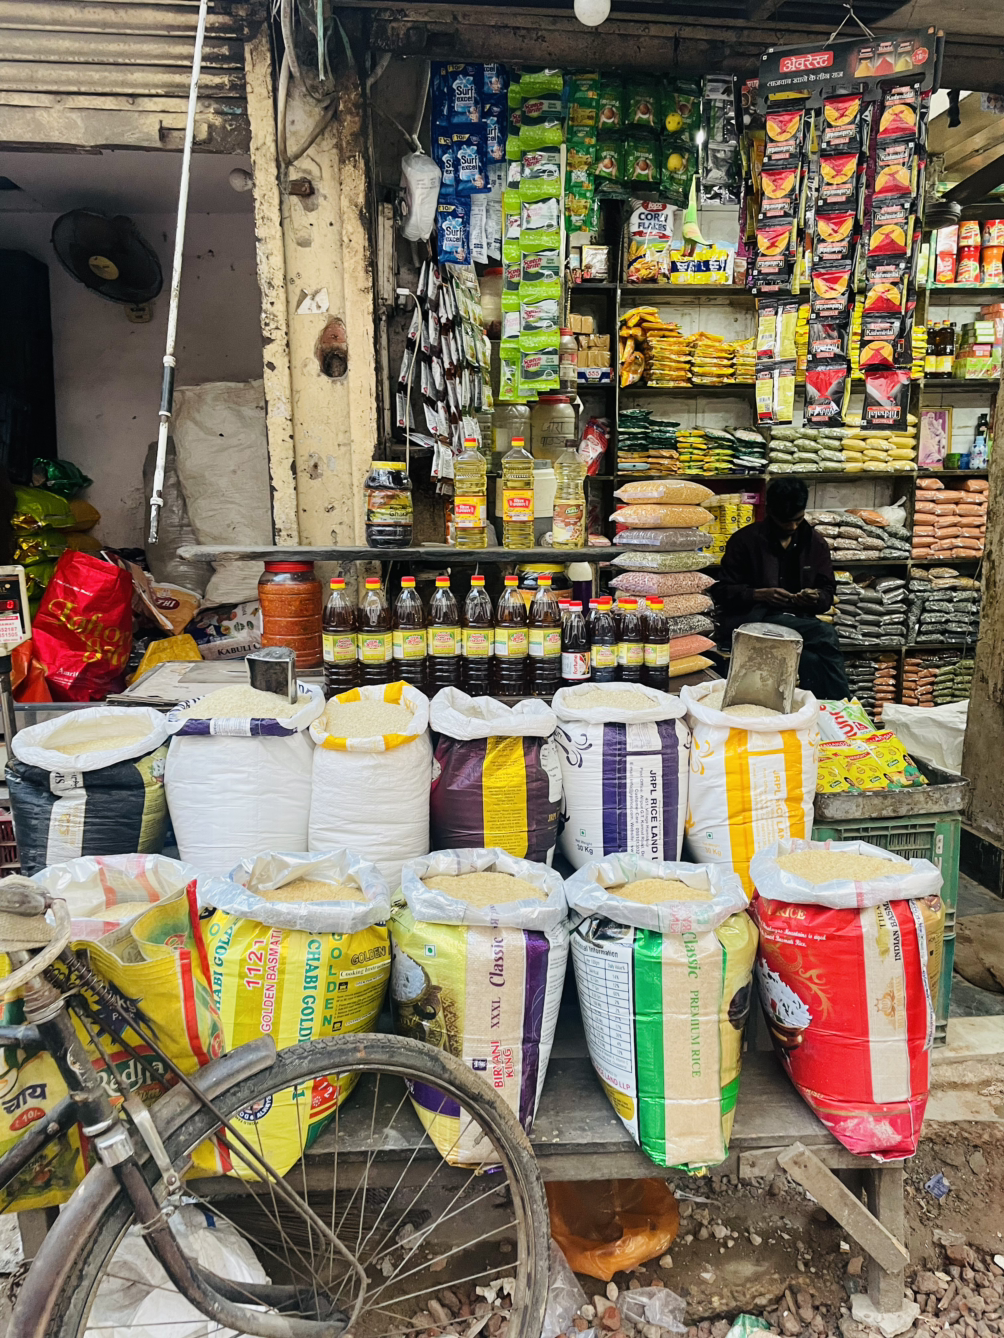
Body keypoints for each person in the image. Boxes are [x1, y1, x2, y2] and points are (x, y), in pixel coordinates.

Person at [713, 476, 849, 699]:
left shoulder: (815, 544)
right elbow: (722, 592)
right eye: (785, 521)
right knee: (825, 633)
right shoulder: (745, 540)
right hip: (753, 620)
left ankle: (823, 710)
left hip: (798, 620)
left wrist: (815, 597)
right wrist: (758, 594)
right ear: (770, 512)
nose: (792, 527)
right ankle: (845, 703)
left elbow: (826, 593)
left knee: (812, 659)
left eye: (798, 520)